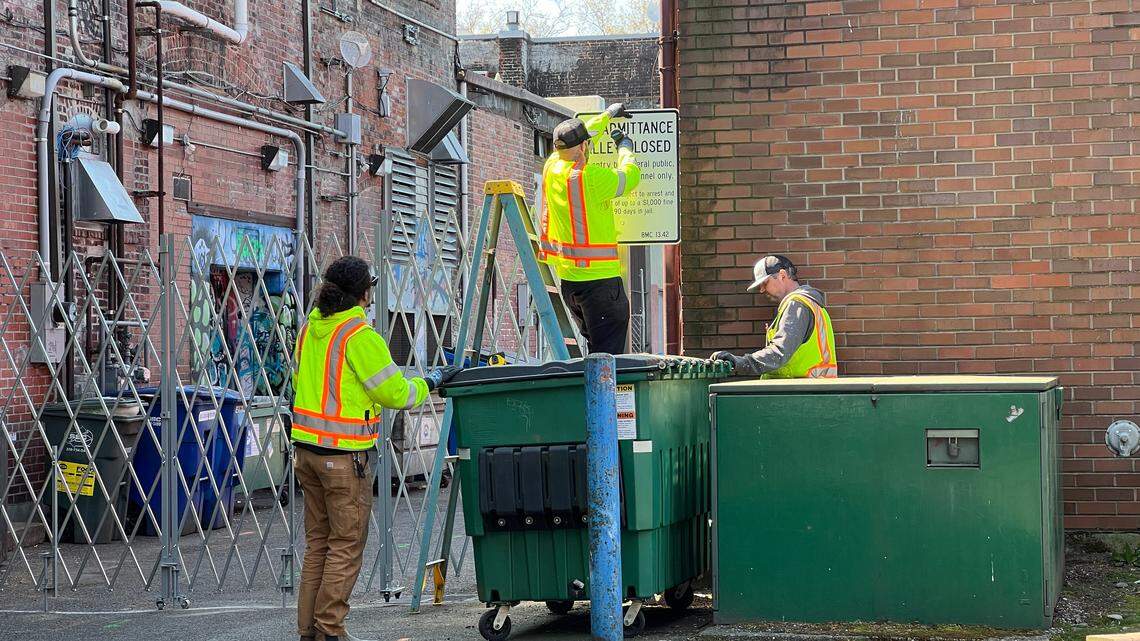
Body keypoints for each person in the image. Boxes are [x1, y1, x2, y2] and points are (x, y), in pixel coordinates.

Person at [291, 256, 459, 641]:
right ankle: (330, 630)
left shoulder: (310, 331)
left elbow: (305, 382)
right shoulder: (359, 336)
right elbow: (393, 392)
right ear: (364, 293)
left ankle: (310, 633)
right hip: (344, 458)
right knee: (346, 546)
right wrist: (430, 381)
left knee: (319, 545)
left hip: (307, 452)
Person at [540, 102, 642, 355]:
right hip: (602, 284)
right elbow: (630, 176)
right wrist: (625, 148)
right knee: (607, 361)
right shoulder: (590, 178)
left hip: (570, 283)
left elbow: (585, 131)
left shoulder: (552, 166)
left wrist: (607, 115)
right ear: (584, 146)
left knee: (594, 354)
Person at [712, 255, 838, 378]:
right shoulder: (807, 303)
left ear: (782, 275)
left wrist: (740, 363)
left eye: (765, 283)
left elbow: (779, 353)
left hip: (802, 392)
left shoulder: (797, 304)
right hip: (807, 391)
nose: (761, 289)